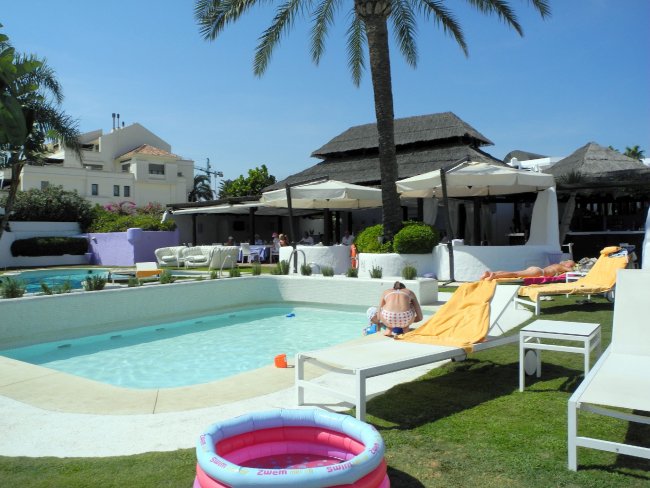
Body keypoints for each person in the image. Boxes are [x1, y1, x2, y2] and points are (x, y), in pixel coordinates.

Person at [479, 260, 575, 281]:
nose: (571, 265)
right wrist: (573, 267)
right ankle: (494, 275)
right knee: (515, 274)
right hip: (538, 272)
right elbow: (572, 271)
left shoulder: (556, 265)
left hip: (536, 269)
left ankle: (491, 273)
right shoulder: (561, 267)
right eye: (571, 264)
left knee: (515, 273)